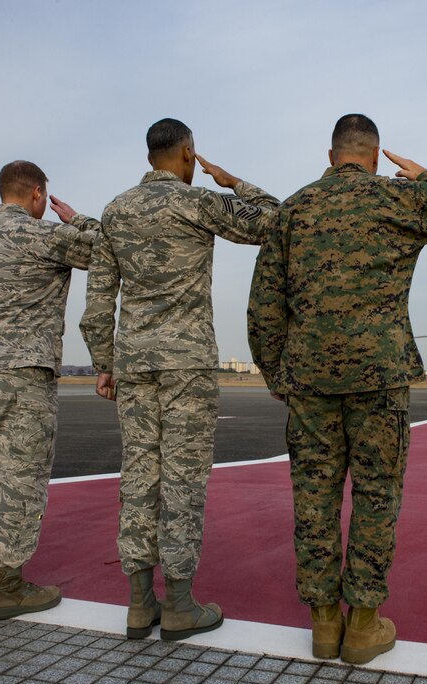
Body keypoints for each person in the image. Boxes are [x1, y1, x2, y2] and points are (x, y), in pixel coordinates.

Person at [247, 114, 427, 664]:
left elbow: (264, 307)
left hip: (309, 380)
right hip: (379, 377)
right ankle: (362, 624)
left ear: (331, 153)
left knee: (313, 496)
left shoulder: (293, 210)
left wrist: (277, 375)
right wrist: (425, 175)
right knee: (376, 494)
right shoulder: (397, 199)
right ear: (376, 153)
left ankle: (322, 623)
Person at [80, 118, 279, 641]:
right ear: (188, 153)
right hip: (186, 363)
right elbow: (274, 219)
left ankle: (139, 604)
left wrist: (104, 362)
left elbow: (99, 298)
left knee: (140, 476)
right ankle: (181, 605)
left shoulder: (114, 211)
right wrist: (233, 182)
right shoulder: (196, 203)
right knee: (183, 480)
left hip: (135, 363)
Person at [0, 160, 99, 620]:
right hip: (21, 373)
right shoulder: (45, 236)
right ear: (37, 196)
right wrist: (77, 220)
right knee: (20, 478)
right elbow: (112, 246)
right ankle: (8, 585)